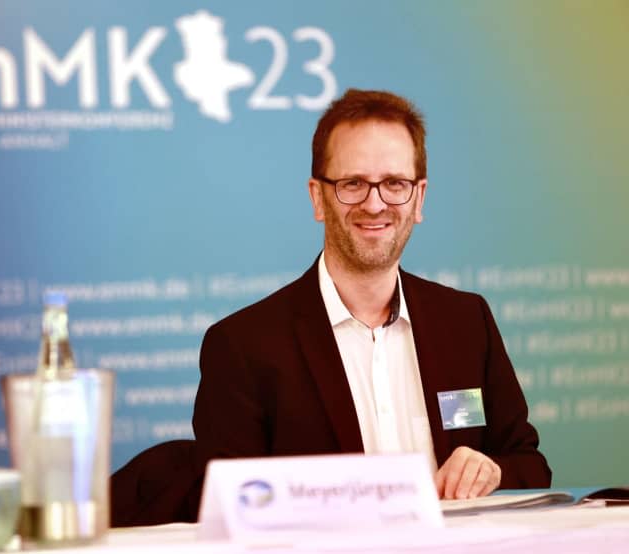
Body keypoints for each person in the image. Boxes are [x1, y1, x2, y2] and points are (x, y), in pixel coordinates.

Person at [191, 89, 551, 505]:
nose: (375, 203)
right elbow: (231, 508)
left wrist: (491, 472)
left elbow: (530, 465)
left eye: (395, 183)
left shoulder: (467, 322)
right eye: (353, 183)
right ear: (318, 197)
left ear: (419, 198)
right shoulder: (242, 346)